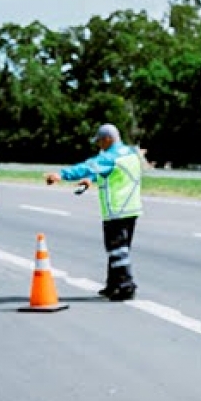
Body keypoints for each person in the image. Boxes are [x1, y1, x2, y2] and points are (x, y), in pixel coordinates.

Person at [45, 123, 144, 301]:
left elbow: (89, 166)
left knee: (117, 250)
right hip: (131, 208)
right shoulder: (130, 153)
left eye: (99, 141)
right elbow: (108, 172)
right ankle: (113, 285)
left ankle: (126, 286)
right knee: (120, 250)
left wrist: (61, 175)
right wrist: (90, 180)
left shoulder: (110, 157)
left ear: (108, 139)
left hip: (116, 209)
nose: (98, 145)